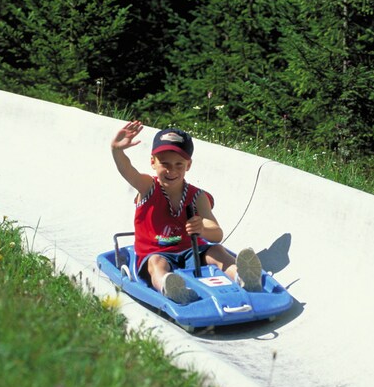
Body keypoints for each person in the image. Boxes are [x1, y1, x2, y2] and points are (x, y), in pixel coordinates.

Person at [111, 120, 263, 304]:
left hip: (190, 249)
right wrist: (117, 151)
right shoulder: (148, 187)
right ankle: (170, 287)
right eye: (164, 163)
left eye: (179, 165)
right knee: (156, 263)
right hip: (156, 251)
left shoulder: (197, 196)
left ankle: (244, 277)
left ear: (188, 165)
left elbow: (216, 234)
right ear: (153, 162)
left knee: (216, 250)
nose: (171, 170)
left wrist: (202, 229)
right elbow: (129, 172)